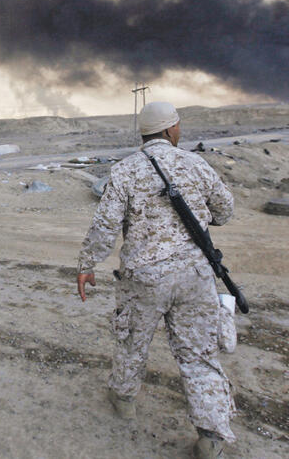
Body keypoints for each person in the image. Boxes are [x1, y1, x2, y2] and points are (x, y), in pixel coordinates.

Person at [76, 101, 236, 458]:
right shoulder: (196, 164)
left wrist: (87, 265)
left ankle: (124, 400)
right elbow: (226, 210)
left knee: (132, 342)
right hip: (195, 277)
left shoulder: (125, 171)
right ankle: (211, 437)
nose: (180, 131)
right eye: (178, 126)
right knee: (199, 355)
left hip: (143, 280)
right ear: (169, 130)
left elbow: (105, 226)